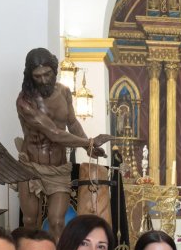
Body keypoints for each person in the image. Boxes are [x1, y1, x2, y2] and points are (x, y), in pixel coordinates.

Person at [15, 47, 113, 235]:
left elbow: (72, 123)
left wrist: (88, 146)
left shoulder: (65, 92)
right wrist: (89, 142)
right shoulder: (25, 101)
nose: (44, 79)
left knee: (57, 222)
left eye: (47, 74)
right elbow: (54, 133)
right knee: (30, 222)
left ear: (54, 69)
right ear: (30, 75)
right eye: (38, 76)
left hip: (59, 167)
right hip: (30, 167)